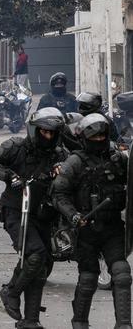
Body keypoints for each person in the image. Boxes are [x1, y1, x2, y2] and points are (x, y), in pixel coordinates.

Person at [0, 107, 67, 329]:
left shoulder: (58, 154)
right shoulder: (15, 146)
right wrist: (9, 176)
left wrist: (62, 171)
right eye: (44, 132)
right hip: (16, 212)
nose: (48, 137)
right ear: (35, 129)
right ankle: (11, 291)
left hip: (43, 214)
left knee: (41, 265)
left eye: (52, 133)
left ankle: (31, 320)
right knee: (35, 254)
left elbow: (71, 174)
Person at [52, 114, 131, 329]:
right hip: (85, 229)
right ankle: (79, 322)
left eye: (102, 136)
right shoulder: (75, 162)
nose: (98, 140)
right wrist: (73, 215)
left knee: (122, 274)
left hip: (113, 226)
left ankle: (124, 324)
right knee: (88, 278)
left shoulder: (118, 159)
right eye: (94, 136)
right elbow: (59, 194)